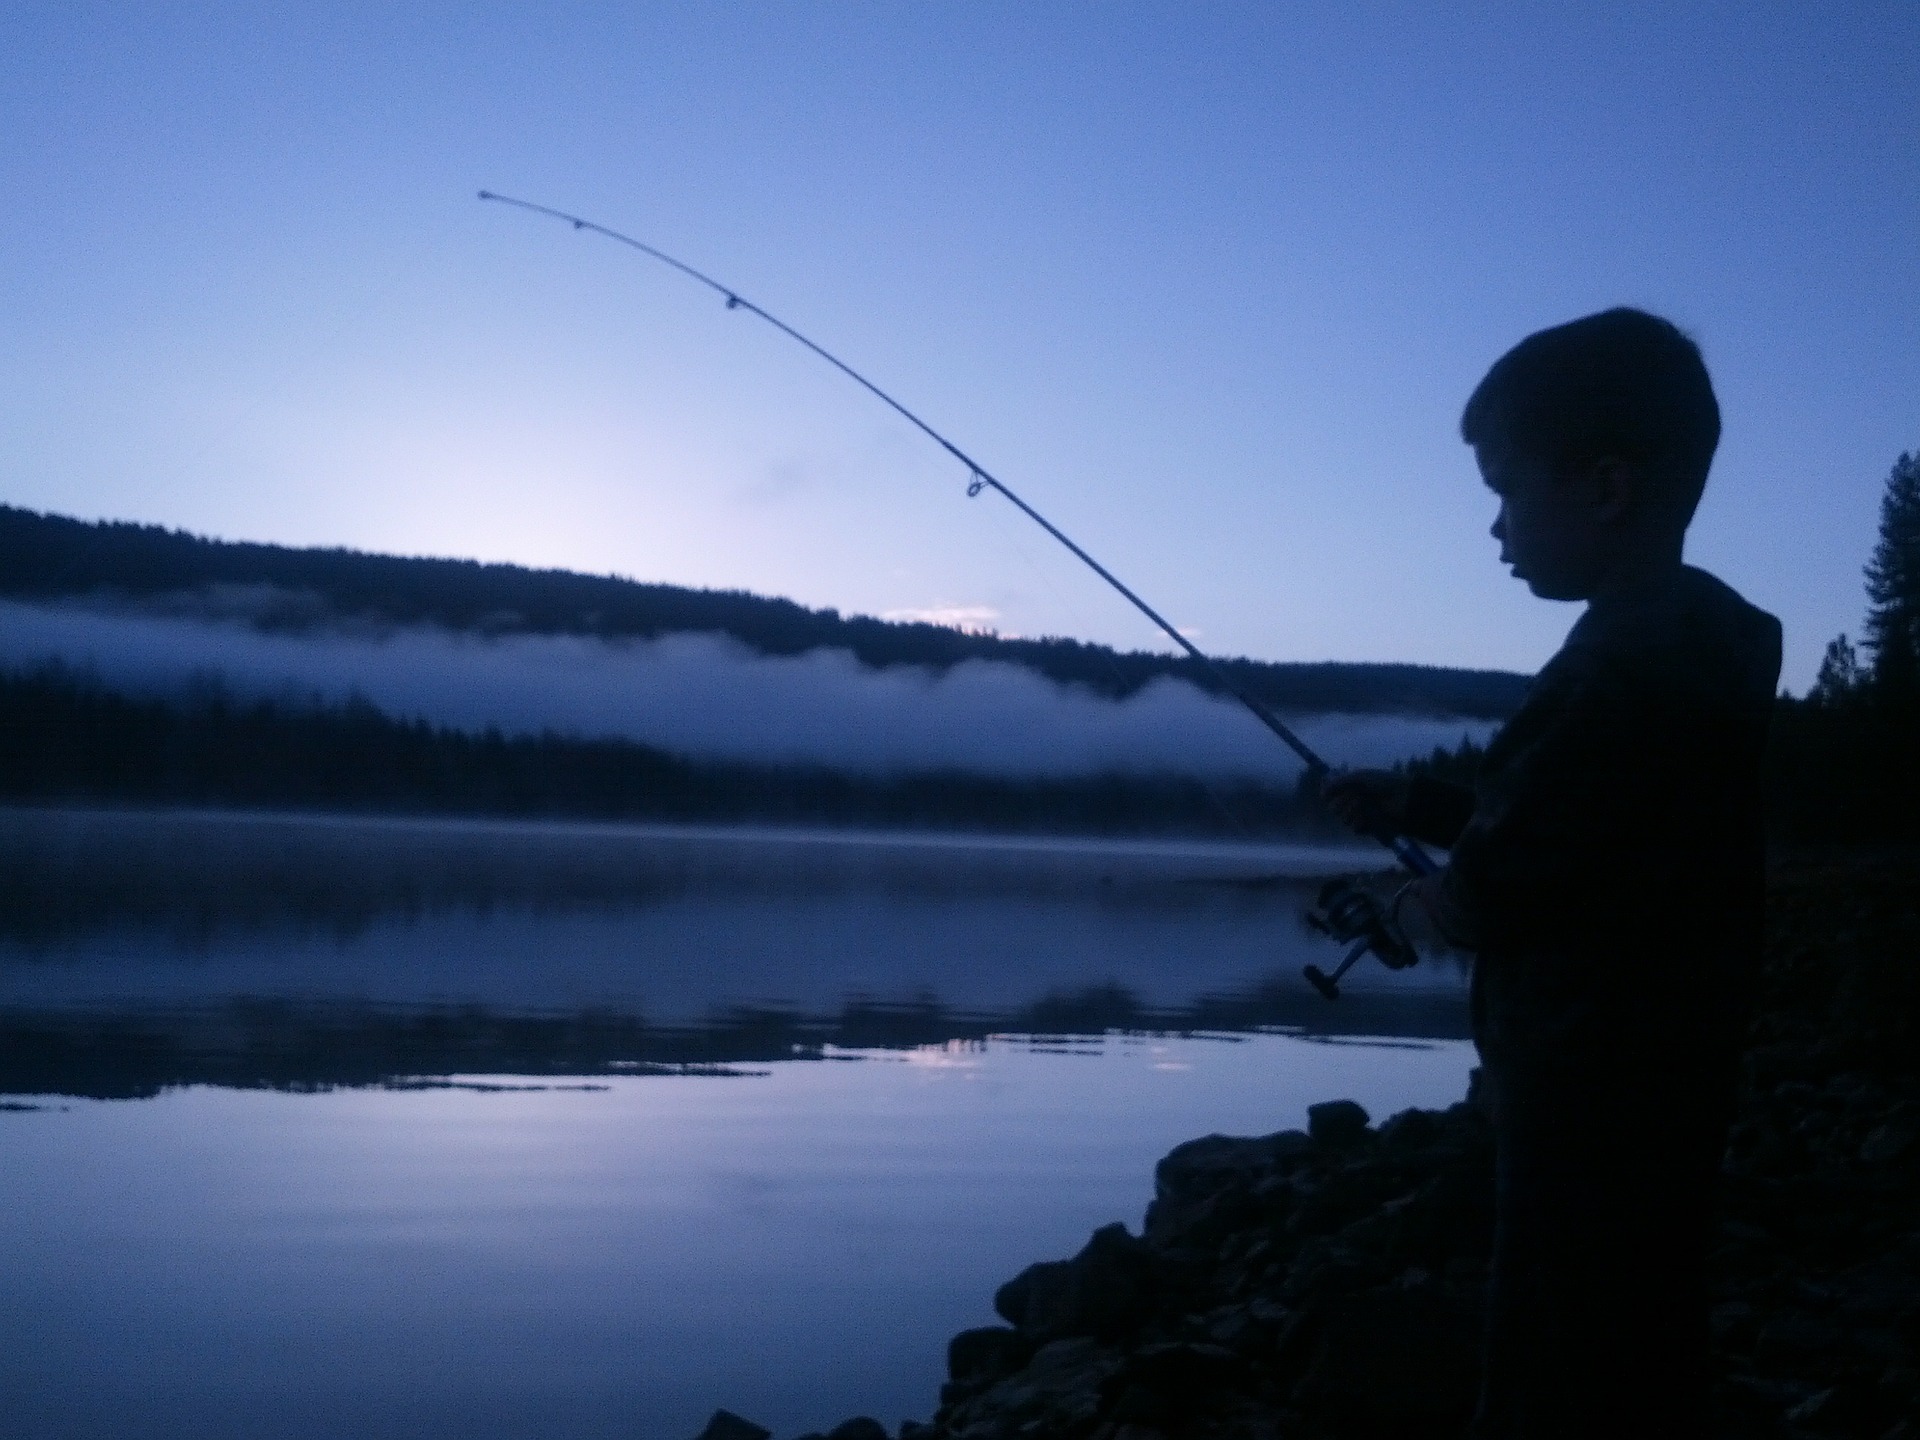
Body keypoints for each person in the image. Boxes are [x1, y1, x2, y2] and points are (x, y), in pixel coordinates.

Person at [1324, 308, 1781, 1439]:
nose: (1495, 525)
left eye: (1507, 487)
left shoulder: (1603, 676)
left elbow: (1488, 891)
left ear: (1604, 488)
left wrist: (1407, 902)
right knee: (1645, 1330)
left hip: (1584, 1080)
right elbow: (1578, 825)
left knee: (1552, 1357)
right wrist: (1419, 806)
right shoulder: (1698, 646)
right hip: (1676, 1061)